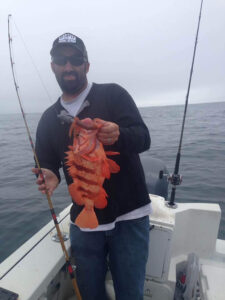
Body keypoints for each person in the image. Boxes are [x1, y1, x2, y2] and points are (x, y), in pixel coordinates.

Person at [33, 32, 151, 300]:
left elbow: (144, 138)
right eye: (61, 60)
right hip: (85, 224)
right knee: (89, 294)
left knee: (131, 294)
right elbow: (48, 164)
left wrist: (120, 134)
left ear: (87, 65)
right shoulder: (48, 120)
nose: (68, 66)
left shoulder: (113, 95)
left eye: (76, 60)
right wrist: (49, 175)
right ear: (53, 66)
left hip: (130, 218)